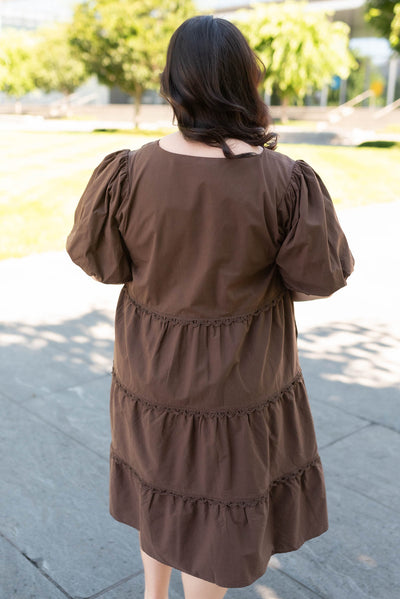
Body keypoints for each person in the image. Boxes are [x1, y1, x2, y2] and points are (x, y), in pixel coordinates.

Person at [66, 15, 354, 599]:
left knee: (160, 487)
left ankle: (153, 595)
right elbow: (319, 276)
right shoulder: (283, 180)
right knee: (217, 517)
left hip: (150, 372)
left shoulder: (130, 171)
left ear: (175, 83)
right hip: (236, 384)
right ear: (244, 82)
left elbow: (103, 263)